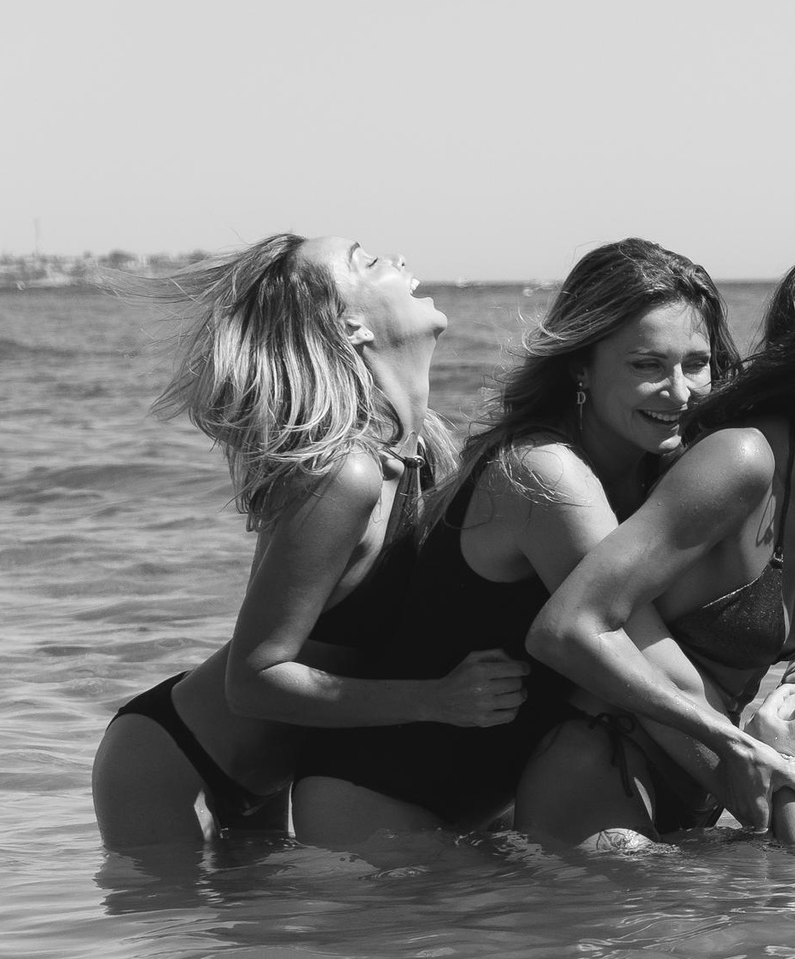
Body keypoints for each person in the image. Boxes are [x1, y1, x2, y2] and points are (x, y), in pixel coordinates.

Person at [289, 239, 741, 845]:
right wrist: (775, 807)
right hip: (378, 803)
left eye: (697, 363)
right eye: (646, 365)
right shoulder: (544, 474)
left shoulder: (653, 472)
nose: (680, 391)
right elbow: (657, 673)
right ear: (580, 367)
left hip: (480, 810)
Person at [89, 235, 526, 850]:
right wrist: (438, 701)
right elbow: (252, 680)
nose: (397, 260)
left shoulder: (427, 447)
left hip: (277, 769)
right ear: (351, 327)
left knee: (274, 920)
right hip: (175, 763)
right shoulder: (345, 475)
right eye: (367, 261)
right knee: (178, 919)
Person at [525, 247, 795, 851]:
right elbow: (567, 627)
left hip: (705, 791)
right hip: (605, 769)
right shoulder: (742, 462)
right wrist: (734, 742)